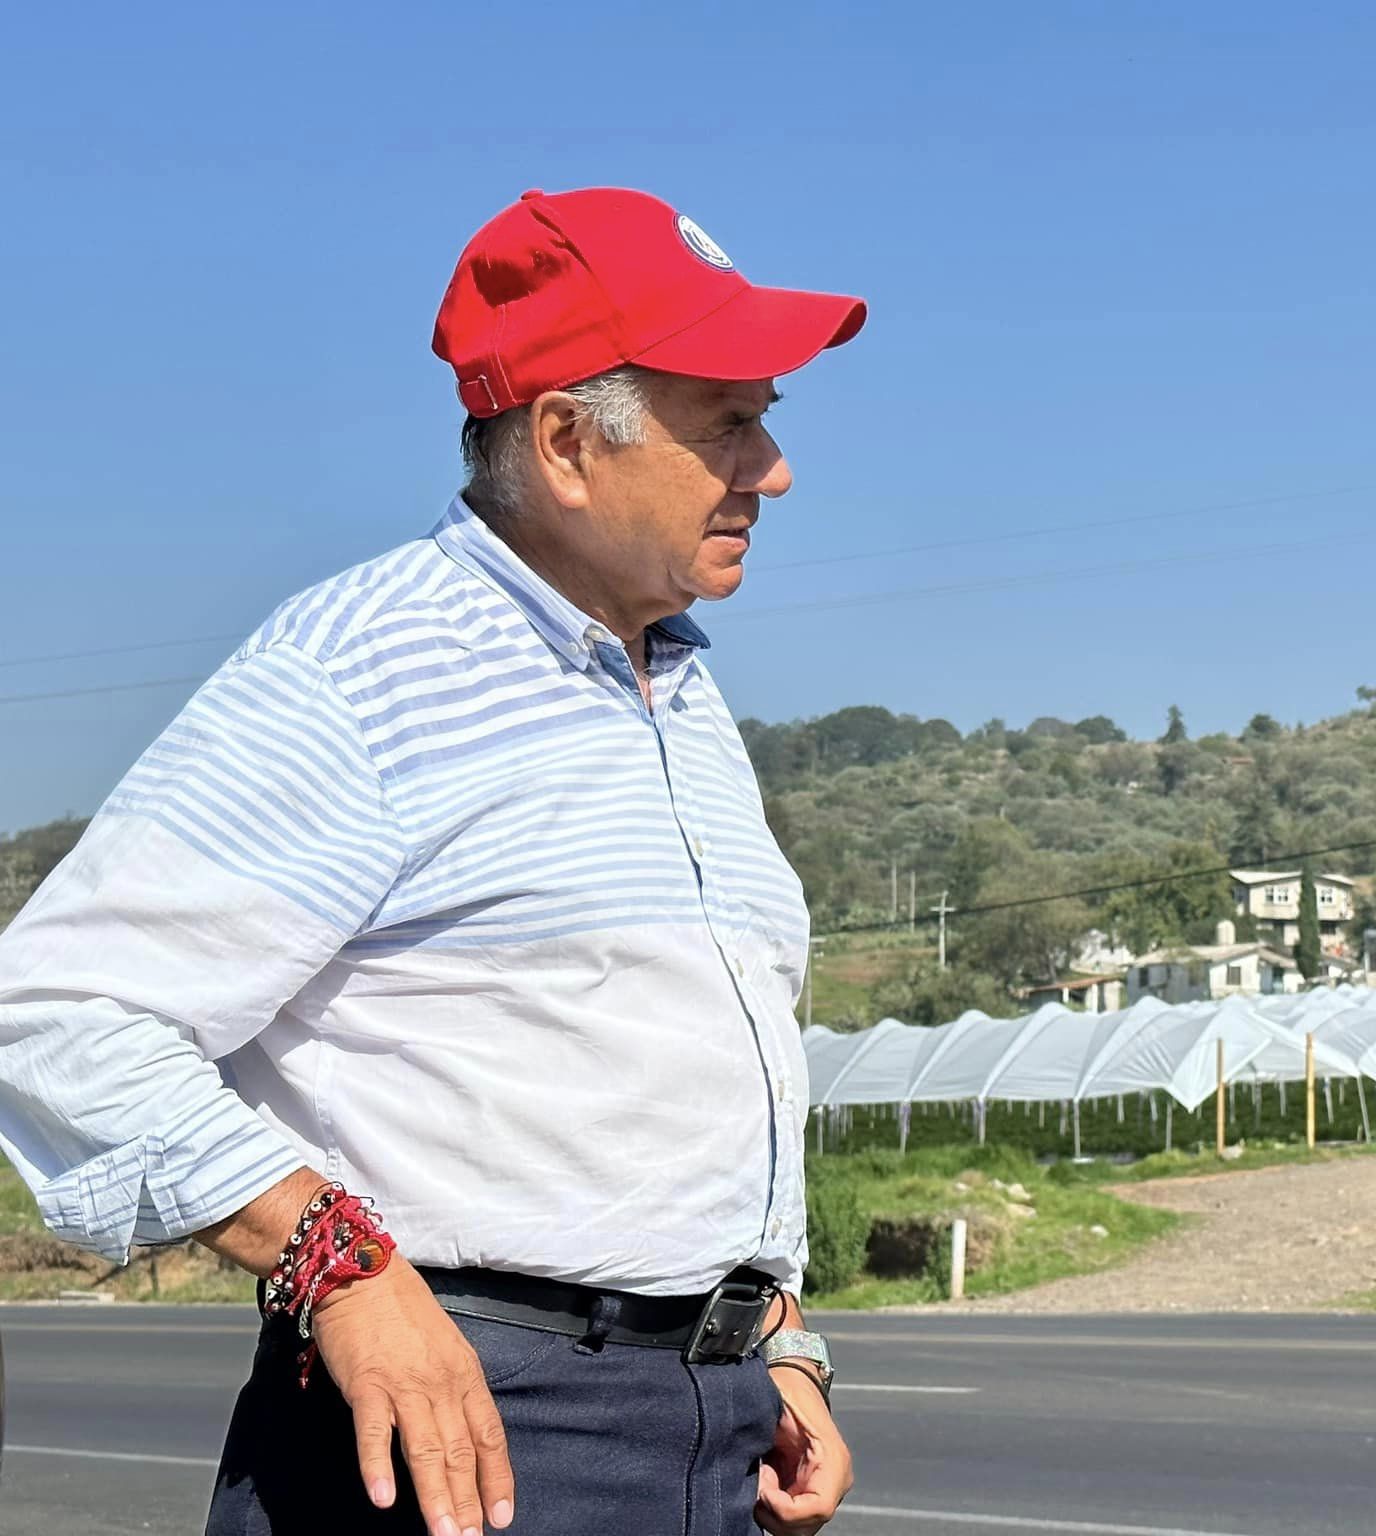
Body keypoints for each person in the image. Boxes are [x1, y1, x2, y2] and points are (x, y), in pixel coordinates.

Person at [0, 186, 866, 1536]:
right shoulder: (365, 670)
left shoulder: (675, 698)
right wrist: (338, 1269)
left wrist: (771, 1336)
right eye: (731, 426)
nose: (775, 469)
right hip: (463, 1425)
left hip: (709, 1432)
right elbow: (60, 1015)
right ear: (570, 441)